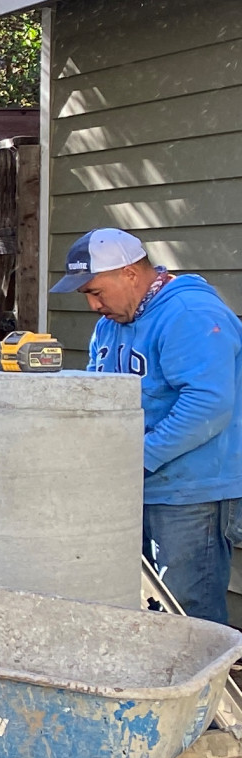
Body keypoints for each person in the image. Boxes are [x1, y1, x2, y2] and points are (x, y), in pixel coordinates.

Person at [57, 226, 242, 623]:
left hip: (191, 492)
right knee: (138, 607)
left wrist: (140, 457)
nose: (92, 305)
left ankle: (202, 686)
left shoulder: (190, 314)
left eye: (96, 291)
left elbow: (209, 403)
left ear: (129, 273)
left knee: (187, 614)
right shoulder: (111, 323)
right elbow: (99, 394)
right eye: (86, 295)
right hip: (134, 484)